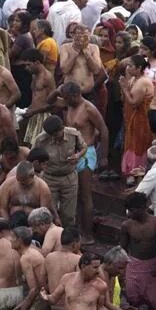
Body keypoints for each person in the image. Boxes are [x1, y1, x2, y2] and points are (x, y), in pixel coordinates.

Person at [48, 81, 109, 244]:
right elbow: (50, 103)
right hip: (73, 153)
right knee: (75, 195)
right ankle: (79, 230)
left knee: (85, 196)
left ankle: (88, 235)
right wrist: (57, 90)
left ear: (76, 96)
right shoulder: (69, 105)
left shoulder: (89, 109)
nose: (65, 101)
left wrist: (104, 156)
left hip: (86, 153)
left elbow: (104, 130)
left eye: (67, 98)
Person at [120, 192, 156, 310]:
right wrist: (123, 269)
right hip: (133, 267)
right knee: (132, 302)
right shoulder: (127, 225)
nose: (129, 214)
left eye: (131, 210)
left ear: (141, 208)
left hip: (152, 266)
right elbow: (122, 249)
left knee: (155, 305)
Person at [34, 115, 86, 230]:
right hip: (49, 178)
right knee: (49, 213)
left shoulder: (74, 135)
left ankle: (68, 237)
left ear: (62, 129)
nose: (54, 137)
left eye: (56, 134)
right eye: (51, 135)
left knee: (69, 215)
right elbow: (34, 156)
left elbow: (83, 147)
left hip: (69, 178)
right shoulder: (41, 140)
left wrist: (77, 156)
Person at [120, 55, 155, 184]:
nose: (127, 68)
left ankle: (138, 170)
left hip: (142, 119)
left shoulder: (143, 82)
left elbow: (134, 102)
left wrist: (124, 87)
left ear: (139, 68)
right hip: (132, 119)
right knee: (132, 143)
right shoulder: (135, 79)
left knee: (139, 145)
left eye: (130, 66)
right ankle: (131, 171)